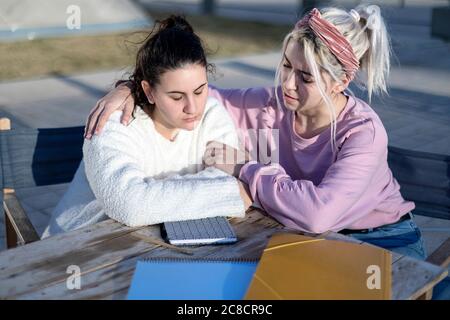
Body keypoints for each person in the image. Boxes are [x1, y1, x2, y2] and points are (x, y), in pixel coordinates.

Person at [83, 5, 426, 260]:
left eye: (306, 78)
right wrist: (130, 87)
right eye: (287, 66)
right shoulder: (270, 104)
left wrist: (244, 168)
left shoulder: (363, 133)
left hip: (384, 240)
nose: (288, 85)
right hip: (306, 239)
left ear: (341, 82)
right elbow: (190, 92)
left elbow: (318, 214)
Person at [42, 15, 252, 238]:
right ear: (149, 90)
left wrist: (151, 194)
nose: (192, 107)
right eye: (176, 96)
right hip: (79, 246)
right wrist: (227, 194)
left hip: (158, 243)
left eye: (199, 91)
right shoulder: (113, 122)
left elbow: (234, 177)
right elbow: (129, 204)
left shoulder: (211, 113)